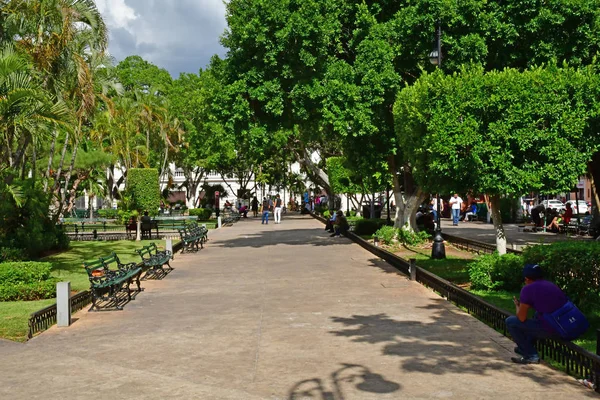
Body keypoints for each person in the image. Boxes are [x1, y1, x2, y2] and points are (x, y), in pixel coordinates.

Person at [506, 264, 568, 364]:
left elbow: (521, 318)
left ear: (527, 279)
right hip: (564, 327)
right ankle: (525, 348)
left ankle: (530, 355)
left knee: (510, 322)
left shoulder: (527, 289)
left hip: (552, 330)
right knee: (536, 315)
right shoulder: (551, 285)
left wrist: (518, 306)